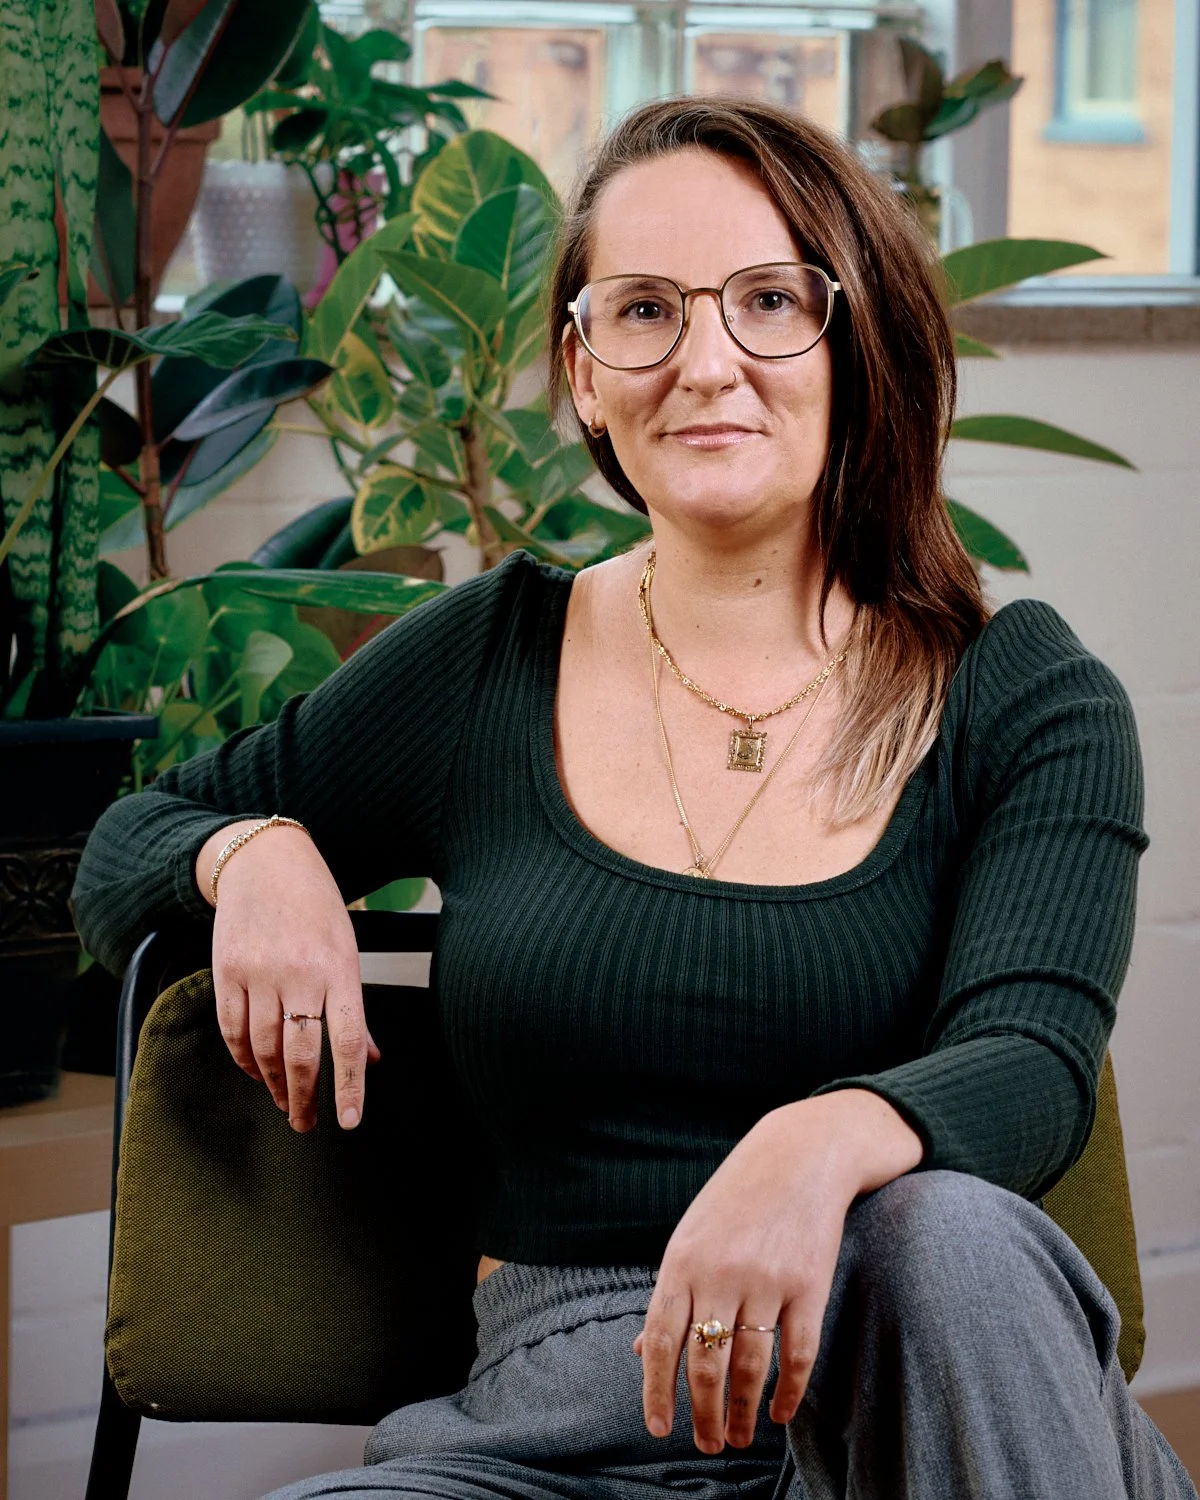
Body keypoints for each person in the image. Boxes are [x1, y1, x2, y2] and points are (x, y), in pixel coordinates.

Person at [71, 96, 1197, 1500]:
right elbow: (126, 842)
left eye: (771, 300)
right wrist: (256, 851)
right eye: (647, 310)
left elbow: (1033, 1059)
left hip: (921, 1401)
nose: (707, 361)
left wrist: (811, 1145)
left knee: (947, 1235)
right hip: (553, 1430)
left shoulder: (1024, 698)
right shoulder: (488, 659)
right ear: (584, 373)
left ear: (862, 346)